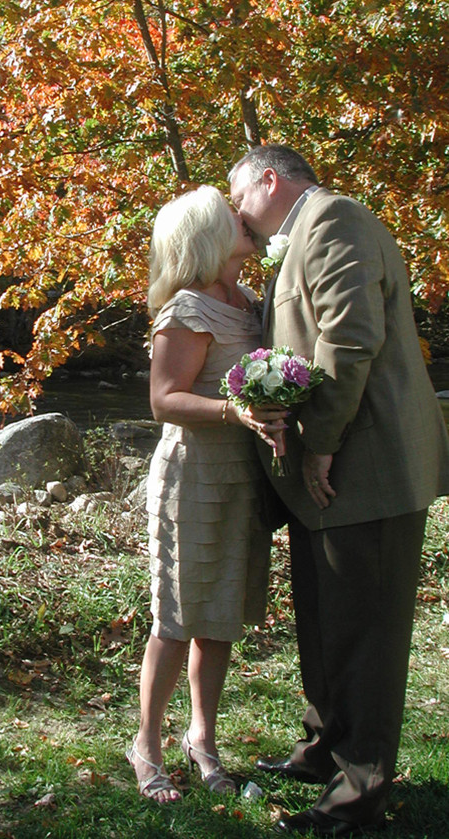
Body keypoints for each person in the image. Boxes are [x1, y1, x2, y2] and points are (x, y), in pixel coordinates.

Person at [227, 145, 449, 834]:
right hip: (331, 474)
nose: (236, 211)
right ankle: (323, 752)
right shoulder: (309, 231)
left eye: (238, 193)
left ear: (270, 178)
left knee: (365, 635)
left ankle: (357, 799)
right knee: (327, 625)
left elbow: (349, 340)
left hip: (366, 465)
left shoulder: (336, 221)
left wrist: (319, 442)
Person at [128, 185, 288, 803]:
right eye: (230, 216)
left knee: (218, 617)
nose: (243, 217)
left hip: (240, 477)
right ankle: (147, 744)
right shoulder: (186, 308)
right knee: (176, 619)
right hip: (192, 477)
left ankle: (203, 739)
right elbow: (164, 400)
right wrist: (236, 411)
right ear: (206, 236)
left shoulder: (245, 301)